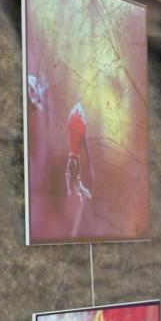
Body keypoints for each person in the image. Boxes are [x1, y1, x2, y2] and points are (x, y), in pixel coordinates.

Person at [64, 101, 95, 238]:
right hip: (74, 155)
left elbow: (67, 175)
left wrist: (68, 189)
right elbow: (67, 175)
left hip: (74, 155)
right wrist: (68, 189)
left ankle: (82, 195)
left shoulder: (75, 122)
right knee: (77, 182)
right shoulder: (78, 123)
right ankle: (82, 195)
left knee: (77, 182)